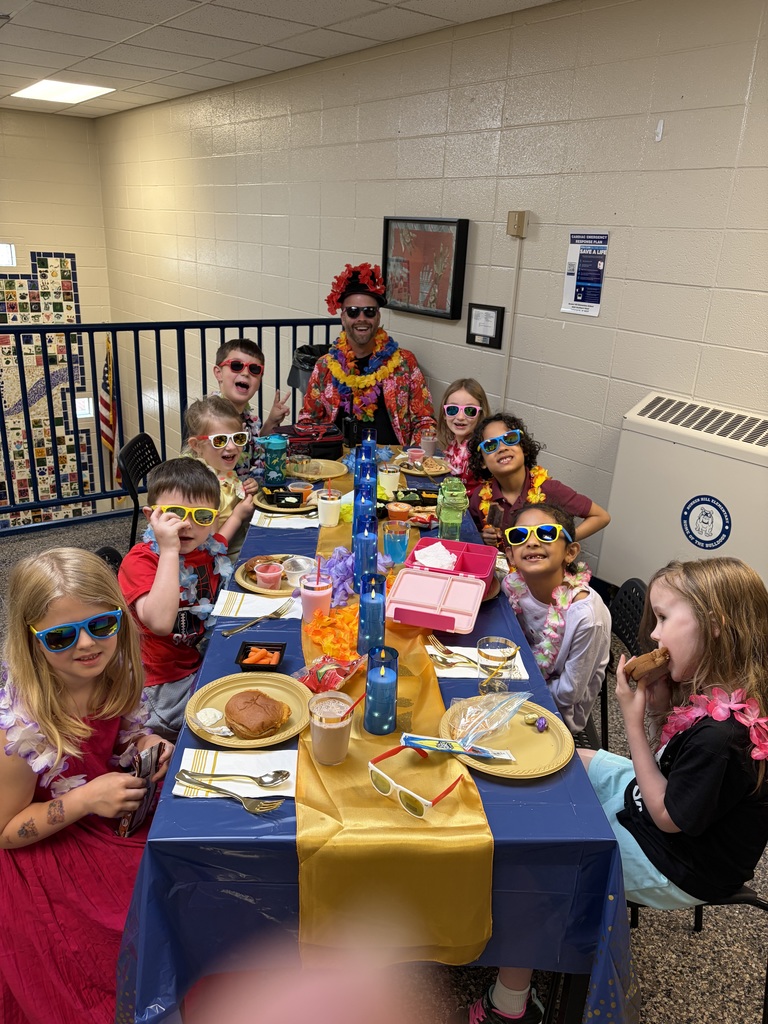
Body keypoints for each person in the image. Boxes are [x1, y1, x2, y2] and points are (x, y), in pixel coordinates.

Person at [455, 556, 768, 1024]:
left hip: (679, 860)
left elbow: (668, 816)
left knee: (544, 858)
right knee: (565, 758)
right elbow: (676, 770)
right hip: (661, 803)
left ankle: (511, 1004)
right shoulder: (716, 688)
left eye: (664, 619)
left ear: (716, 625)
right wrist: (663, 708)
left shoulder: (724, 737)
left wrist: (635, 722)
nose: (655, 636)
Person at [0, 548, 172, 1024]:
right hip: (49, 851)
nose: (86, 645)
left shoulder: (108, 674)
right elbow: (4, 832)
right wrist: (82, 800)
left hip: (104, 807)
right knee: (128, 925)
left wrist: (143, 740)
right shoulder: (19, 730)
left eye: (102, 625)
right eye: (60, 636)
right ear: (31, 640)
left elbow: (116, 734)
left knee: (183, 870)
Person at [118, 458, 233, 740]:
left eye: (201, 516)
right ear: (151, 516)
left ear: (214, 519)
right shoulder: (141, 562)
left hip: (195, 658)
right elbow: (159, 623)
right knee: (226, 718)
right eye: (174, 515)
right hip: (156, 684)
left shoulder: (207, 547)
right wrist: (169, 551)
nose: (187, 525)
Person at [298, 262, 436, 446]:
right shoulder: (325, 366)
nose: (361, 318)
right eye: (353, 312)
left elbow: (424, 422)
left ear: (378, 316)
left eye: (369, 311)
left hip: (392, 466)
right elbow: (308, 420)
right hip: (337, 464)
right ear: (343, 317)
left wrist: (413, 459)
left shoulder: (404, 363)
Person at [502, 502, 611, 734]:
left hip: (558, 714)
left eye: (546, 533)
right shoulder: (512, 588)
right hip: (518, 682)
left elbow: (569, 693)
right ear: (510, 555)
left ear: (570, 552)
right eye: (519, 535)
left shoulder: (586, 617)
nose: (531, 542)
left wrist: (513, 687)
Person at [467, 412, 610, 550]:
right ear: (482, 461)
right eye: (490, 445)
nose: (502, 448)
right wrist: (483, 536)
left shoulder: (550, 490)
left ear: (524, 448)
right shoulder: (480, 497)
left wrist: (562, 542)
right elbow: (471, 533)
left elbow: (601, 516)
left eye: (510, 438)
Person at [184, 395, 255, 564]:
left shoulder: (219, 467)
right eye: (220, 440)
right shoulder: (201, 487)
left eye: (237, 438)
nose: (231, 447)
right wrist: (238, 515)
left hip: (239, 546)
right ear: (196, 445)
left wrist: (246, 490)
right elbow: (210, 548)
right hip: (219, 565)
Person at [213, 337, 291, 492]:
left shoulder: (251, 420)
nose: (245, 373)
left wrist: (271, 421)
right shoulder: (209, 417)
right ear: (218, 373)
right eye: (236, 366)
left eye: (254, 369)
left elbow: (257, 453)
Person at [436, 378, 490, 494]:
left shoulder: (483, 450)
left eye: (470, 411)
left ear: (480, 415)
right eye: (452, 409)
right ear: (444, 414)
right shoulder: (453, 445)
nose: (460, 417)